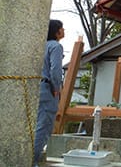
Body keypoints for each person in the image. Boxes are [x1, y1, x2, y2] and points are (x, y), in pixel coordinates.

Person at [33, 19, 64, 166]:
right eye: (62, 28)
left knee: (35, 124)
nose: (64, 31)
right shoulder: (55, 46)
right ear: (57, 31)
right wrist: (56, 88)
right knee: (44, 127)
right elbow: (56, 70)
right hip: (48, 88)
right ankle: (31, 160)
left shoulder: (40, 46)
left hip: (35, 87)